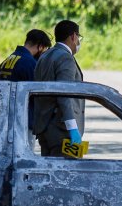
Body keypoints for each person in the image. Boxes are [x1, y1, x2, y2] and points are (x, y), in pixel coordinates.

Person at [33, 19, 85, 158]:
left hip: (44, 128)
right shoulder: (65, 58)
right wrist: (73, 128)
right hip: (62, 131)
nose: (79, 42)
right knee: (66, 175)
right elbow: (64, 93)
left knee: (50, 173)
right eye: (79, 38)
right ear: (73, 36)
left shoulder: (45, 56)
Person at [0, 29, 52, 145]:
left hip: (5, 120)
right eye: (44, 50)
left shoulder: (8, 60)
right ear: (40, 47)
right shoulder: (29, 63)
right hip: (23, 121)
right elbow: (37, 94)